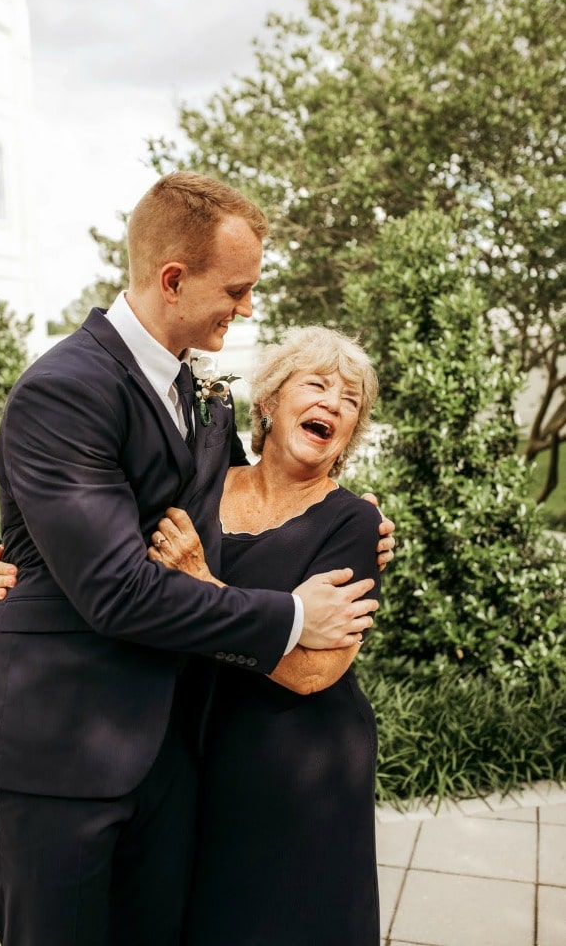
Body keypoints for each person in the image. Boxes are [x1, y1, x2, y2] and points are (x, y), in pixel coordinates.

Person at [0, 171, 394, 946]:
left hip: (171, 757)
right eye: (237, 288)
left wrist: (357, 522)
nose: (248, 306)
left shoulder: (199, 399)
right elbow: (118, 589)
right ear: (173, 279)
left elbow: (234, 512)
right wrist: (296, 613)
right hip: (62, 751)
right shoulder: (64, 389)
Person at [149, 326, 383, 946]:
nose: (333, 403)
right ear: (270, 403)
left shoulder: (354, 521)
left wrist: (201, 587)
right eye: (317, 384)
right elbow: (120, 566)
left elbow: (313, 672)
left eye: (350, 399)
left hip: (305, 775)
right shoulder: (202, 488)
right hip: (194, 756)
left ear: (350, 434)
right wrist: (10, 576)